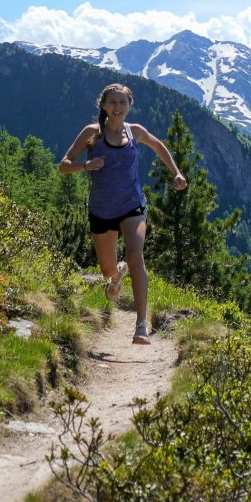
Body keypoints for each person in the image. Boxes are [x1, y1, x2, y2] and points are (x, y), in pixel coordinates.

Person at [59, 82, 187, 344]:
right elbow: (64, 165)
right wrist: (86, 165)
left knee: (135, 258)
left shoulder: (135, 131)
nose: (118, 108)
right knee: (108, 275)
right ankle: (116, 276)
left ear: (130, 105)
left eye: (122, 103)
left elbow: (159, 146)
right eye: (113, 102)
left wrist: (176, 172)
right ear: (104, 106)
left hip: (132, 206)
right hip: (101, 210)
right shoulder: (91, 133)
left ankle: (141, 326)